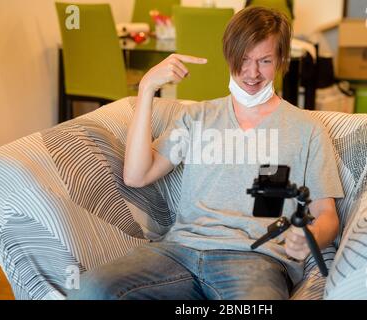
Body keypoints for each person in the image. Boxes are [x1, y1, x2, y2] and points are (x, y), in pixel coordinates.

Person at [68, 6, 344, 300]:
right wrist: (147, 87)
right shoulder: (196, 117)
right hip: (178, 252)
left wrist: (312, 238)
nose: (251, 73)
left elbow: (327, 214)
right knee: (89, 291)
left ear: (281, 61)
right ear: (229, 56)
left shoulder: (307, 129)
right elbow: (136, 175)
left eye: (264, 61)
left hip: (255, 259)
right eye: (243, 60)